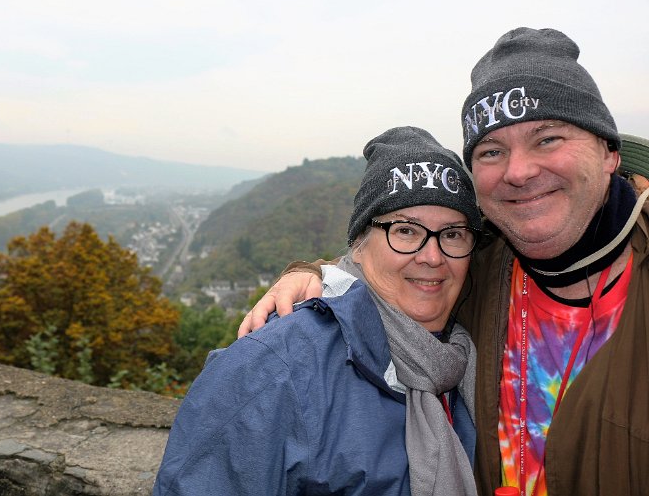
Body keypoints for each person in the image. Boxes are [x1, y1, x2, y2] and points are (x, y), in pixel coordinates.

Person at [241, 28, 649, 496]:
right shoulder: (476, 270)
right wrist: (315, 275)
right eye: (492, 151)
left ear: (608, 153)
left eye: (547, 139)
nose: (518, 172)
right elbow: (394, 270)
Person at [154, 126, 482, 496]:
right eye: (405, 231)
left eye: (452, 233)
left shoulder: (462, 356)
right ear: (360, 243)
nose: (433, 256)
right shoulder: (274, 370)